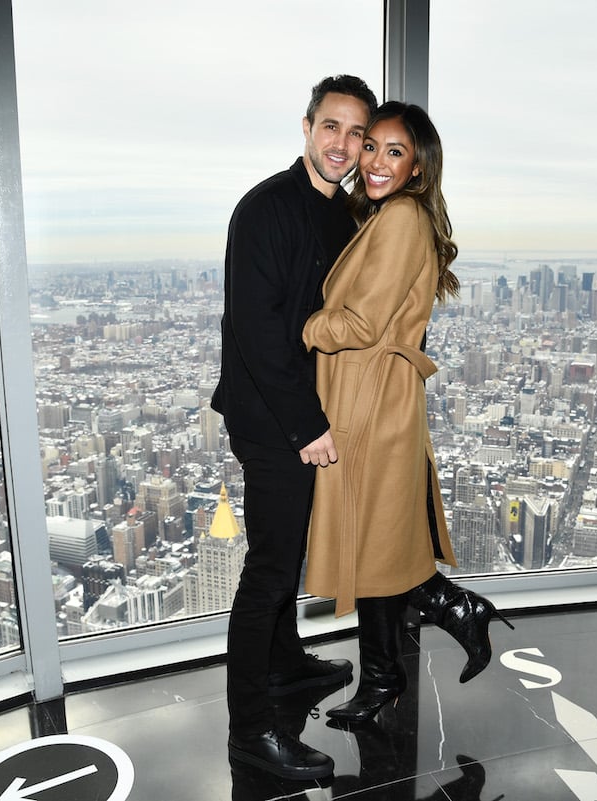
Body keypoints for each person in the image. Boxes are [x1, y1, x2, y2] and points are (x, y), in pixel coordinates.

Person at [301, 101, 514, 724]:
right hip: (380, 395)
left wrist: (303, 324)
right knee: (381, 546)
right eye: (372, 147)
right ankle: (420, 644)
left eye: (394, 151)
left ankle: (394, 669)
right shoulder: (393, 216)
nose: (373, 161)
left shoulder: (397, 219)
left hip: (368, 399)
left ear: (417, 165)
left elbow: (361, 324)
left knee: (375, 547)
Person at [211, 74, 378, 779]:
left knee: (285, 557)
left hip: (303, 414)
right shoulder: (265, 209)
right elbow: (255, 331)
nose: (342, 145)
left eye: (355, 134)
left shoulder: (341, 217)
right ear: (306, 127)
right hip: (270, 417)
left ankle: (286, 667)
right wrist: (307, 424)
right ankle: (251, 730)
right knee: (271, 569)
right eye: (330, 127)